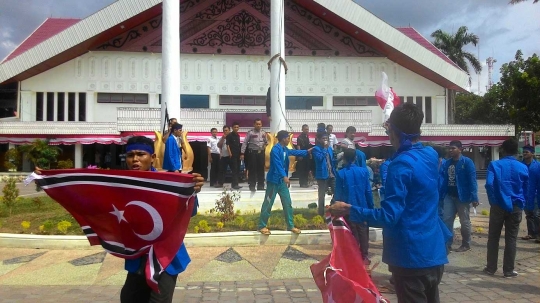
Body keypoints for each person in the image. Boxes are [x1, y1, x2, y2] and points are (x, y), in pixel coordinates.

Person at [329, 103, 449, 303]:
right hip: (434, 251)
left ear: (394, 132)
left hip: (410, 256)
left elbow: (389, 216)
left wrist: (349, 210)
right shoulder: (430, 155)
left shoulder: (400, 165)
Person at [484, 138, 528, 278]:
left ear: (503, 149)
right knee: (511, 238)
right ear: (516, 151)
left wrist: (493, 201)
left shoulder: (494, 165)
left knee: (493, 237)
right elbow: (526, 188)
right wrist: (522, 201)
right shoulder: (522, 167)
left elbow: (489, 184)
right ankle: (508, 270)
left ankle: (491, 268)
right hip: (516, 205)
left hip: (498, 204)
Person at [258, 130, 311, 235]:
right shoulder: (275, 150)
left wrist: (307, 152)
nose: (288, 140)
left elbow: (294, 152)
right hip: (273, 181)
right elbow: (277, 164)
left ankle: (290, 226)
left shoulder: (284, 149)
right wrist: (284, 176)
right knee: (268, 203)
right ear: (283, 139)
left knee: (287, 203)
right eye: (288, 138)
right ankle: (262, 226)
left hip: (282, 182)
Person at [334, 148, 373, 263]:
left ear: (344, 158)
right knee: (363, 231)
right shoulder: (363, 171)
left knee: (351, 232)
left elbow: (338, 194)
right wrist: (371, 206)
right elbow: (368, 191)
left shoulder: (341, 174)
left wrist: (336, 208)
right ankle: (364, 256)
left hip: (348, 208)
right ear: (356, 158)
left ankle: (353, 256)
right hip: (362, 206)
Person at [440, 140, 478, 252]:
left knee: (464, 221)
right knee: (447, 220)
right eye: (449, 148)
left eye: (453, 148)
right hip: (449, 196)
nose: (450, 150)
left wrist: (474, 197)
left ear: (460, 149)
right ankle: (447, 244)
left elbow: (472, 181)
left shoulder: (467, 162)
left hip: (463, 197)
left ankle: (466, 244)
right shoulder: (447, 163)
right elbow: (444, 180)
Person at [312, 131, 335, 216]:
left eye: (326, 138)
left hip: (331, 174)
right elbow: (319, 159)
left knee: (337, 192)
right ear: (318, 139)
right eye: (323, 138)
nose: (325, 140)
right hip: (322, 175)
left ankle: (332, 209)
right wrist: (324, 149)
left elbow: (332, 160)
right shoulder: (316, 149)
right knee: (322, 196)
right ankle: (321, 214)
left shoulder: (329, 148)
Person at [241, 118, 268, 192]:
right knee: (252, 169)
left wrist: (265, 147)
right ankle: (252, 185)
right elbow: (245, 142)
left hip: (261, 153)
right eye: (257, 124)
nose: (258, 125)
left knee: (261, 169)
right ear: (254, 124)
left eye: (260, 124)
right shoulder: (250, 133)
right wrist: (242, 153)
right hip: (252, 153)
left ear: (261, 125)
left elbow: (266, 142)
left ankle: (261, 185)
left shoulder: (263, 133)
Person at [521, 145, 540, 241]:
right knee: (529, 215)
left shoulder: (538, 166)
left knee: (537, 214)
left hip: (536, 194)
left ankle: (538, 234)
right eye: (523, 152)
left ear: (532, 153)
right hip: (524, 194)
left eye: (526, 152)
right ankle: (531, 233)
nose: (524, 154)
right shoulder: (520, 165)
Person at [226, 122, 242, 190]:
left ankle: (236, 184)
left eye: (237, 127)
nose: (236, 128)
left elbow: (239, 145)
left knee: (238, 169)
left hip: (238, 154)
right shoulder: (229, 135)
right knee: (234, 169)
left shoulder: (238, 135)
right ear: (232, 128)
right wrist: (230, 153)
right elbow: (227, 145)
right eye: (235, 127)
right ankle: (234, 184)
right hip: (232, 154)